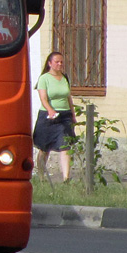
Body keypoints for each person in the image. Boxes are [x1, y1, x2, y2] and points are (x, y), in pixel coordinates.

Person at [33, 51, 76, 182]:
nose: (59, 64)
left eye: (61, 62)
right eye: (57, 62)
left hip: (65, 115)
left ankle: (66, 178)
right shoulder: (44, 78)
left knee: (65, 145)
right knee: (44, 148)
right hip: (48, 116)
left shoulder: (64, 78)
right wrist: (50, 110)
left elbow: (69, 98)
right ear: (50, 63)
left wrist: (73, 115)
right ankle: (41, 176)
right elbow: (43, 98)